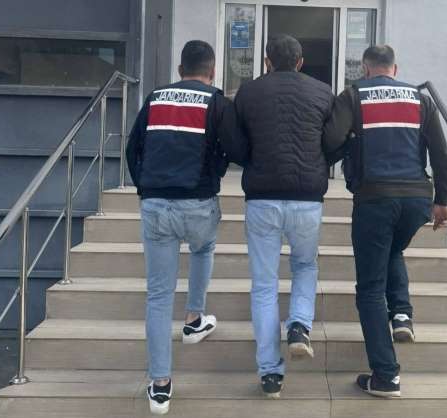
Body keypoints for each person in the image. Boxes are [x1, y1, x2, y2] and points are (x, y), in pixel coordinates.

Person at [322, 45, 447, 398]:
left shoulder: (353, 95)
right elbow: (441, 155)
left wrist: (351, 144)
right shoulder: (420, 99)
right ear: (395, 68)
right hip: (416, 199)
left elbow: (331, 140)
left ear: (365, 69)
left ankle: (386, 375)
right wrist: (442, 200)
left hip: (375, 198)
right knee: (393, 250)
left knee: (369, 288)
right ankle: (402, 315)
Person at [222, 34, 336, 398]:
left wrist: (253, 161)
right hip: (307, 198)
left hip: (262, 198)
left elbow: (234, 144)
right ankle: (299, 325)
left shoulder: (248, 92)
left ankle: (270, 373)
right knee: (304, 266)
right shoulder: (323, 92)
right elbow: (334, 141)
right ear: (300, 62)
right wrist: (320, 164)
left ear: (267, 61)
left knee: (264, 285)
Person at [126, 40, 232, 415]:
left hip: (156, 203)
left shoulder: (155, 98)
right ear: (212, 70)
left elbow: (133, 149)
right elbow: (230, 149)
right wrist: (214, 175)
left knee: (158, 295)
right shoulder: (216, 101)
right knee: (204, 248)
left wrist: (145, 188)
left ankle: (160, 386)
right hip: (199, 201)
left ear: (180, 69)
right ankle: (193, 318)